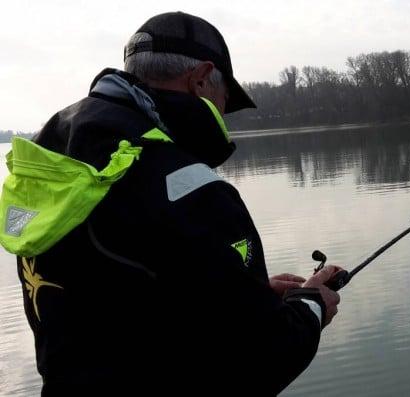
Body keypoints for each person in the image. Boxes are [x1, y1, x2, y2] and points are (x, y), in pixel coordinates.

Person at [0, 11, 343, 396]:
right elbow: (259, 358)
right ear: (200, 79)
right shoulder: (190, 188)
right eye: (224, 98)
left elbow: (118, 296)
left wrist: (246, 288)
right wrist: (311, 307)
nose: (223, 115)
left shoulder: (55, 169)